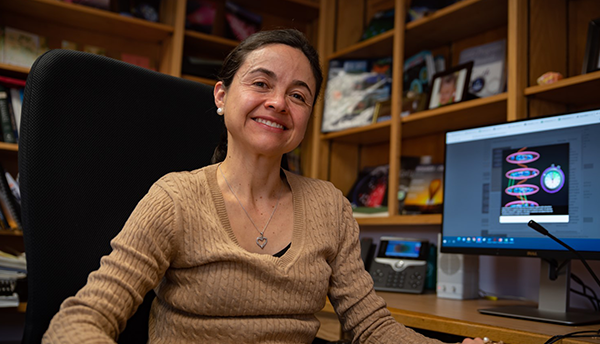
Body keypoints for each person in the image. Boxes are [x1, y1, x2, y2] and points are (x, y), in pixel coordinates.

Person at [43, 29, 486, 344]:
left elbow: (371, 327)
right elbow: (83, 319)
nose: (278, 102)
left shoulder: (330, 206)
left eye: (298, 95)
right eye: (261, 83)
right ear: (221, 96)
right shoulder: (175, 198)